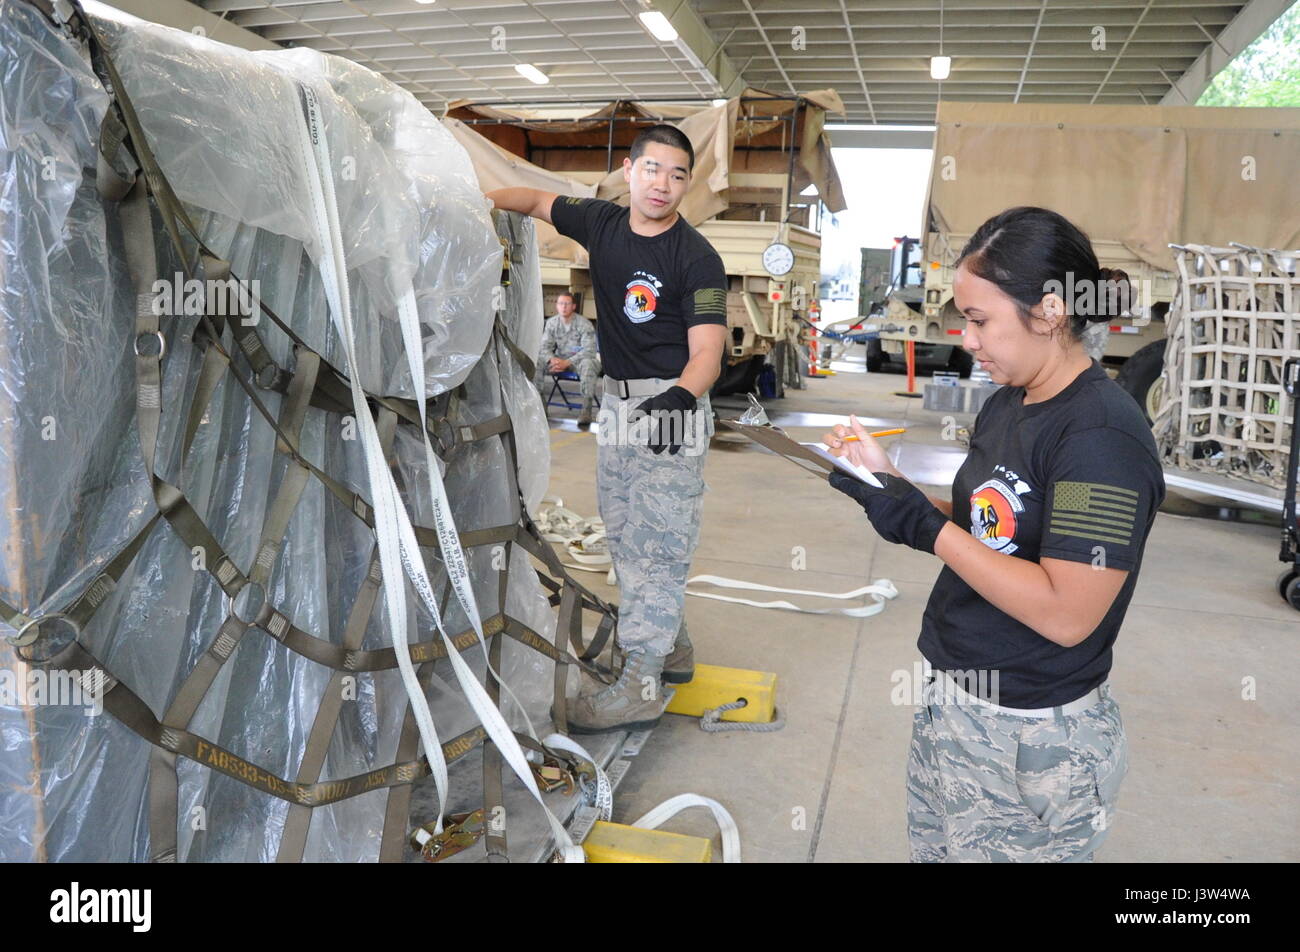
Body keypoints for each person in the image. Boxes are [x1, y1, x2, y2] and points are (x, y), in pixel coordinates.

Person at [823, 206, 1165, 862]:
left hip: (1033, 734)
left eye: (980, 320)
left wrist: (925, 529)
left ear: (1050, 311)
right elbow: (990, 532)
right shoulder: (1011, 401)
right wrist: (888, 485)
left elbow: (1068, 613)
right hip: (958, 697)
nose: (968, 340)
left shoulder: (1101, 437)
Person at [487, 124, 728, 733]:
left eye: (677, 175)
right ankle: (668, 647)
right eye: (653, 170)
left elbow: (708, 354)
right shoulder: (601, 223)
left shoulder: (696, 258)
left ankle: (642, 685)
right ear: (630, 169)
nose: (662, 185)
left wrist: (679, 397)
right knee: (625, 538)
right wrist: (474, 200)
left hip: (669, 409)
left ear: (687, 184)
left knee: (658, 545)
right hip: (616, 407)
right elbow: (537, 201)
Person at [534, 291, 601, 428]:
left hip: (578, 363)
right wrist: (552, 360)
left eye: (567, 303)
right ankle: (541, 408)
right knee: (537, 362)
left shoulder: (584, 324)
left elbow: (589, 350)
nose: (563, 307)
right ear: (557, 306)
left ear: (573, 306)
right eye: (560, 303)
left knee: (589, 363)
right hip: (558, 362)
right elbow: (544, 347)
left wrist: (567, 363)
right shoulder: (552, 323)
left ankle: (585, 410)